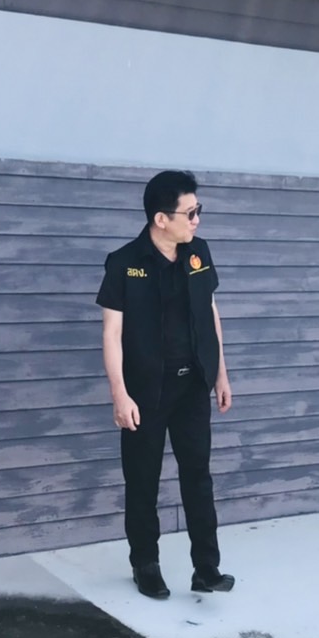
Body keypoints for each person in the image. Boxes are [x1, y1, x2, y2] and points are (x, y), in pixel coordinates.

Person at [96, 170, 235, 600]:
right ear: (161, 219)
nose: (196, 219)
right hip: (145, 393)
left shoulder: (199, 253)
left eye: (198, 210)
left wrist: (220, 373)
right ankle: (146, 565)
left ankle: (206, 568)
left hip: (193, 386)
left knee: (198, 476)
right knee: (143, 481)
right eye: (189, 213)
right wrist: (119, 394)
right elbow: (111, 334)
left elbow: (211, 313)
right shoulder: (124, 263)